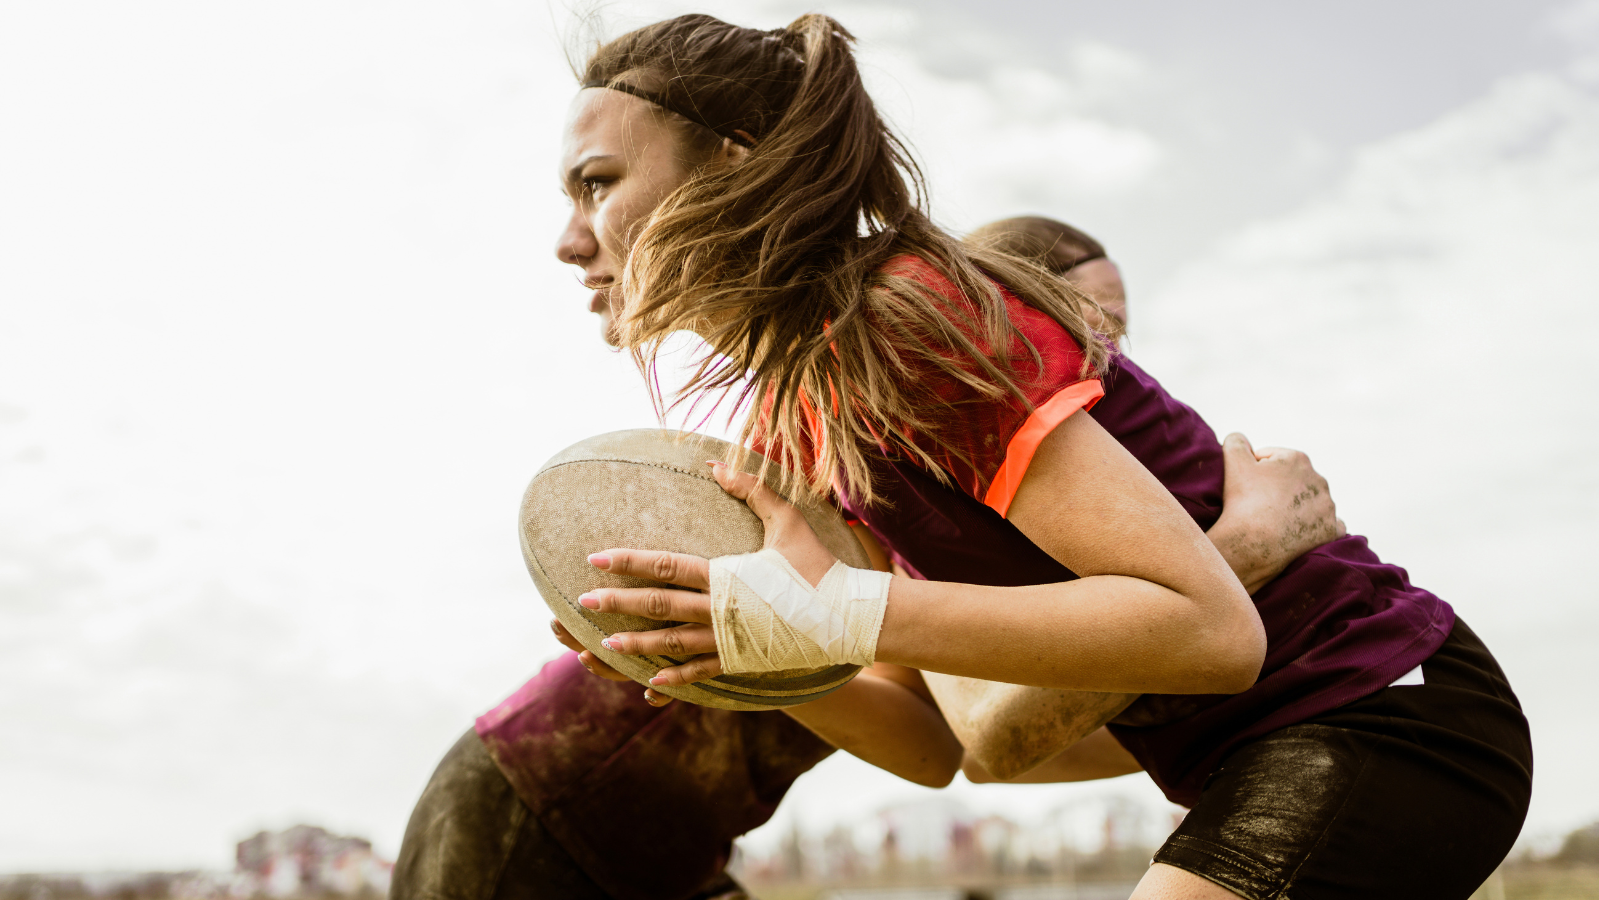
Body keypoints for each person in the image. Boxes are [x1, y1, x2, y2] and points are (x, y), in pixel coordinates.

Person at [536, 13, 1530, 900]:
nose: (570, 241)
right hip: (1267, 746)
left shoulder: (896, 319)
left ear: (732, 164)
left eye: (599, 184)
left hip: (1383, 708)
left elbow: (1209, 632)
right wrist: (737, 652)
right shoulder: (805, 409)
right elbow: (936, 746)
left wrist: (824, 613)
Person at [391, 218, 1341, 899]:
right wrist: (1241, 555)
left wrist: (733, 651)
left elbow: (945, 749)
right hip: (541, 792)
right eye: (1087, 320)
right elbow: (1001, 737)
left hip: (684, 828)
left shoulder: (1008, 518)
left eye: (1119, 331)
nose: (1107, 353)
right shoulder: (883, 441)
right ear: (997, 318)